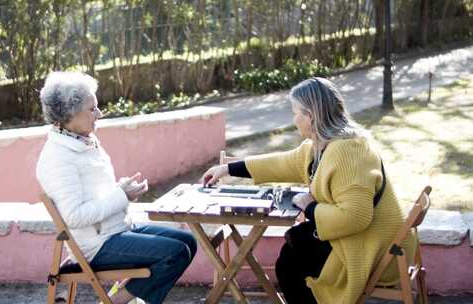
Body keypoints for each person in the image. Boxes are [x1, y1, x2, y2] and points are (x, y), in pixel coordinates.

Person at [201, 77, 416, 303]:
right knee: (293, 250)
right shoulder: (322, 146)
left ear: (311, 116)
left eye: (296, 113)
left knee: (290, 264)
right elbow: (282, 163)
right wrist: (227, 169)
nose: (294, 120)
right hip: (363, 239)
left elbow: (357, 217)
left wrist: (310, 206)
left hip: (375, 250)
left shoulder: (347, 152)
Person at [36, 71, 197, 304]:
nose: (99, 114)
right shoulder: (58, 158)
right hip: (97, 246)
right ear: (70, 113)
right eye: (92, 109)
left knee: (188, 242)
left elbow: (96, 193)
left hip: (117, 229)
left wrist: (123, 190)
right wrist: (121, 195)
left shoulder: (83, 140)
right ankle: (116, 301)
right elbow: (74, 216)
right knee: (176, 252)